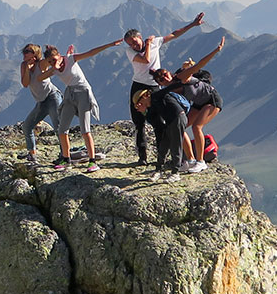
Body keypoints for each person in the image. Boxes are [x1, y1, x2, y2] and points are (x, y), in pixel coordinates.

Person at [130, 36, 224, 180]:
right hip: (199, 104)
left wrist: (216, 50)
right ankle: (190, 160)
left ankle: (201, 162)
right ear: (159, 83)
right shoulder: (168, 91)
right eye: (161, 79)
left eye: (166, 75)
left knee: (197, 127)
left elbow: (199, 65)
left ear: (170, 73)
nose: (165, 79)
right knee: (182, 128)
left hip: (212, 99)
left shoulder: (182, 77)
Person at [123, 13, 207, 167]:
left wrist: (192, 24)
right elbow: (146, 60)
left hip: (155, 86)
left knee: (159, 121)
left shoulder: (155, 42)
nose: (134, 46)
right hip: (139, 86)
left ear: (140, 37)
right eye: (131, 44)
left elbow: (174, 34)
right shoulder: (131, 52)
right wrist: (147, 44)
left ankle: (161, 157)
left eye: (135, 42)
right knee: (139, 121)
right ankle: (142, 157)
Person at [52, 40, 121, 172]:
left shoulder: (71, 59)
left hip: (83, 93)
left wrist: (109, 44)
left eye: (54, 59)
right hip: (70, 94)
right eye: (50, 61)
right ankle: (66, 159)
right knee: (62, 129)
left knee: (85, 130)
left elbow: (90, 53)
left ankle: (92, 161)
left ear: (60, 56)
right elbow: (39, 77)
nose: (53, 63)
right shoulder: (54, 70)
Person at [17, 44, 63, 165]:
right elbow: (25, 83)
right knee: (27, 126)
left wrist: (52, 51)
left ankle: (64, 155)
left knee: (58, 127)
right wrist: (27, 68)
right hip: (41, 101)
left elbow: (52, 61)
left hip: (52, 96)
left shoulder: (41, 64)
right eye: (24, 51)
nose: (25, 53)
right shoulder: (23, 66)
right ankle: (32, 154)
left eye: (28, 51)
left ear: (35, 54)